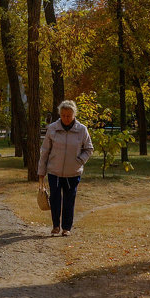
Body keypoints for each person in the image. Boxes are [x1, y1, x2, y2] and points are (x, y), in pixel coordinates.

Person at [37, 100, 93, 236]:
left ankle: (66, 228)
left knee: (69, 200)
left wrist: (79, 161)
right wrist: (41, 172)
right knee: (55, 200)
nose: (66, 118)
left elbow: (89, 148)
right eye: (63, 115)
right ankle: (56, 226)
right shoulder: (52, 128)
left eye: (69, 115)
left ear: (74, 115)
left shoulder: (81, 130)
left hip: (73, 173)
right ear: (60, 114)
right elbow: (45, 151)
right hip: (54, 172)